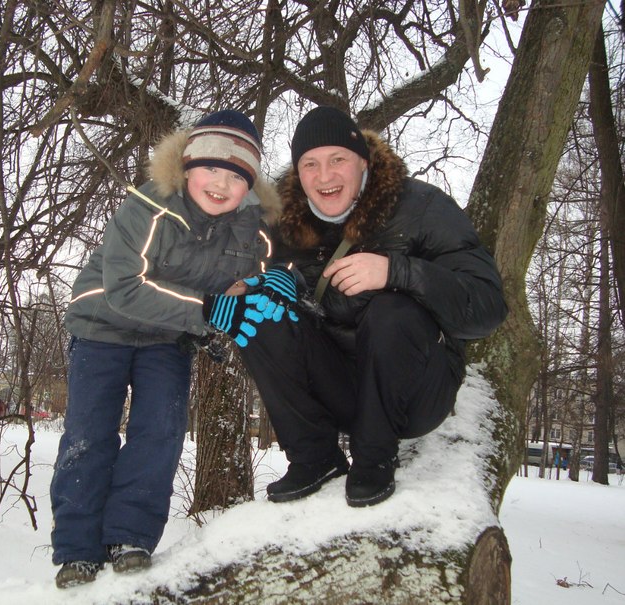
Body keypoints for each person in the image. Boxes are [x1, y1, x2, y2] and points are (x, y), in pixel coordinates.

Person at [51, 110, 279, 589]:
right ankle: (77, 547)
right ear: (188, 168)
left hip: (167, 338)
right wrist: (209, 311)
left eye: (236, 176)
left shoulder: (253, 233)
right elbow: (125, 288)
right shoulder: (148, 205)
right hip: (101, 325)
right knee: (88, 431)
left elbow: (247, 289)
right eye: (211, 169)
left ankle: (130, 535)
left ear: (250, 186)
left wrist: (262, 290)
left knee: (161, 429)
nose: (220, 183)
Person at [238, 106, 508, 508]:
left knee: (391, 311)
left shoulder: (421, 207)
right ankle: (315, 456)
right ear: (298, 171)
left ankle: (375, 456)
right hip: (340, 389)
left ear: (363, 161)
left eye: (338, 160)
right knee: (255, 311)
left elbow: (488, 307)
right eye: (310, 164)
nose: (324, 176)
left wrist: (395, 271)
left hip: (414, 395)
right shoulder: (284, 219)